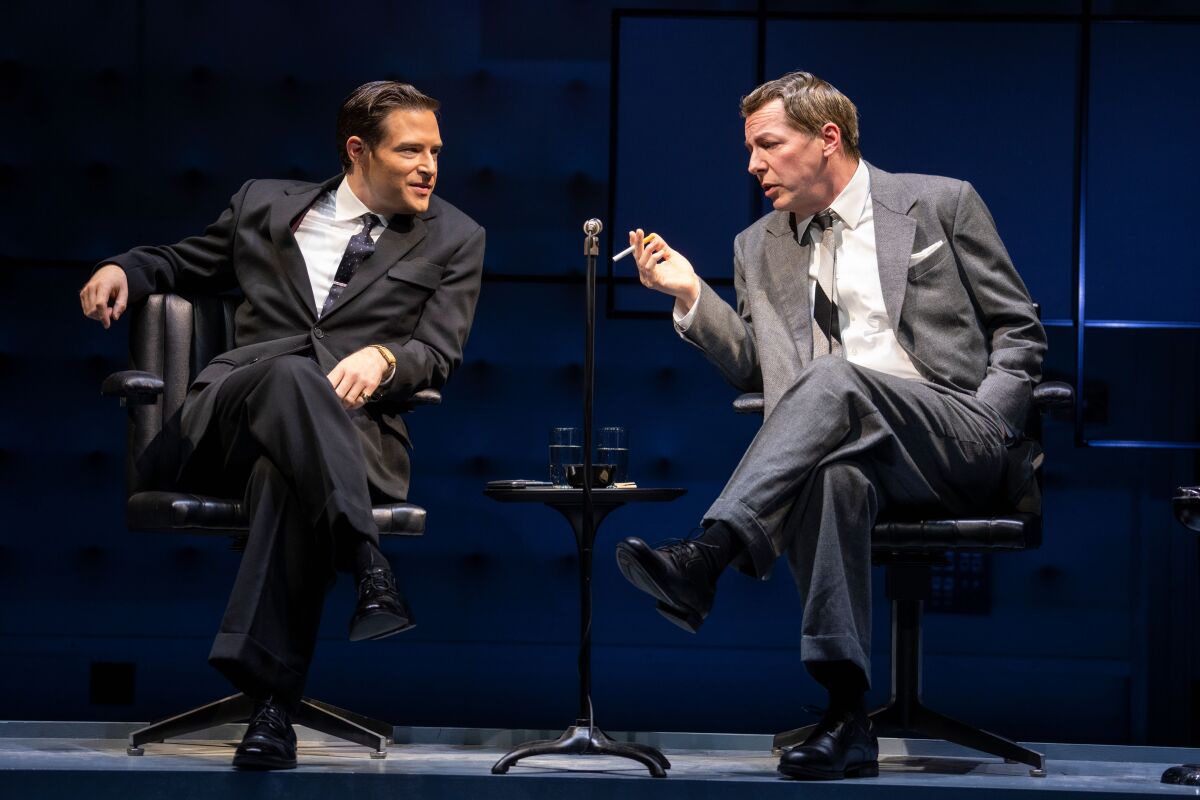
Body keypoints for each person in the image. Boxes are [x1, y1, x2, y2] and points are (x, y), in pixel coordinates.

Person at [614, 71, 1045, 781]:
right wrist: (691, 295)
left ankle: (709, 553)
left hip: (958, 435)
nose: (753, 165)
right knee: (832, 477)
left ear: (827, 139)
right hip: (858, 450)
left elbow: (1019, 332)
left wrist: (993, 422)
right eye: (751, 149)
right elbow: (758, 365)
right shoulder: (758, 246)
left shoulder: (940, 202)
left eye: (768, 145)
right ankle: (846, 715)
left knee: (833, 378)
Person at [78, 81, 485, 770]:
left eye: (436, 151)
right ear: (358, 151)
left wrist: (387, 356)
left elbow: (436, 354)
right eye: (410, 150)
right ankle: (365, 558)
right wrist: (124, 266)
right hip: (226, 422)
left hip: (344, 442)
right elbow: (181, 262)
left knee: (284, 477)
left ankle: (272, 710)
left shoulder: (456, 237)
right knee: (293, 377)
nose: (429, 167)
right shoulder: (265, 204)